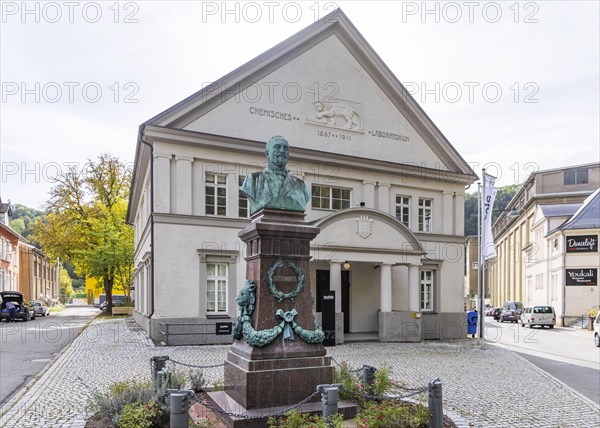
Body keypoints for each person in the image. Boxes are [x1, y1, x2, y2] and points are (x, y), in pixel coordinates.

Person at [241, 136, 310, 214]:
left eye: (286, 148)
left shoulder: (301, 185)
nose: (282, 150)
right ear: (267, 153)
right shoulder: (252, 179)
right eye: (277, 147)